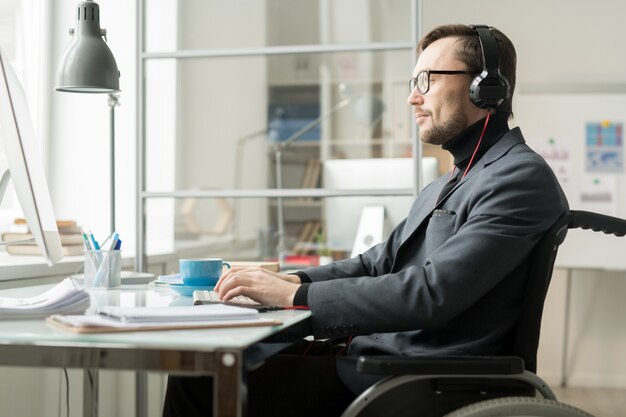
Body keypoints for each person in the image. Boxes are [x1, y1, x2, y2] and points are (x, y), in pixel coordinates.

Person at [163, 23, 568, 417]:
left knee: (200, 378)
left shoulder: (518, 178)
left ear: (485, 86)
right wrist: (293, 281)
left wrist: (292, 299)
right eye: (412, 82)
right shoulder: (449, 181)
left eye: (426, 79)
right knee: (211, 360)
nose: (413, 97)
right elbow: (376, 264)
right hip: (382, 364)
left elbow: (430, 293)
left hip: (419, 381)